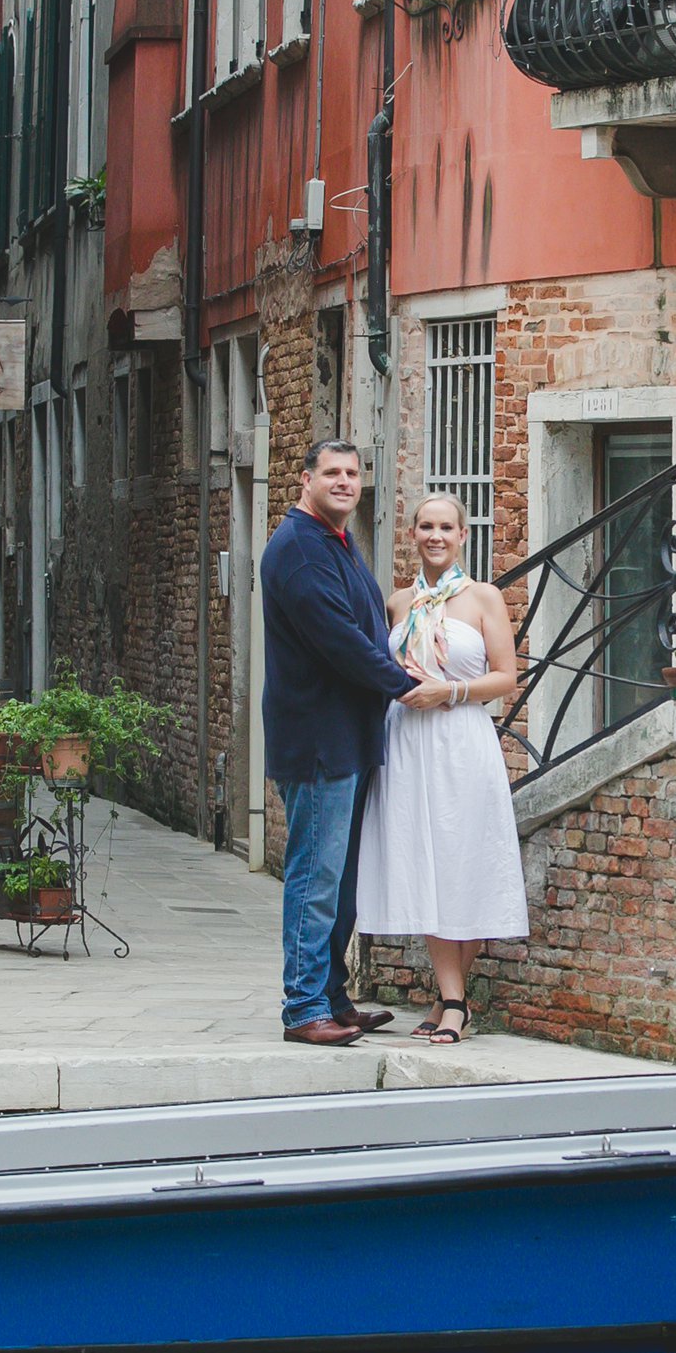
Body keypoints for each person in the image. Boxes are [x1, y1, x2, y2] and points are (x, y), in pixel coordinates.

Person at [260, 438, 450, 1045]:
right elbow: (341, 640)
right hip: (319, 739)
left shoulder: (334, 543)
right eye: (332, 473)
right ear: (305, 479)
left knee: (340, 882)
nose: (344, 482)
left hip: (348, 737)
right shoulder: (298, 551)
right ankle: (303, 1008)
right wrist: (403, 683)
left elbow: (370, 627)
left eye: (353, 473)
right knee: (316, 878)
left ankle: (333, 997)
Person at [355, 494, 527, 1045]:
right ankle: (454, 1000)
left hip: (461, 739)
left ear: (463, 535)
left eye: (446, 527)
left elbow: (506, 678)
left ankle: (451, 998)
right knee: (426, 864)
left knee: (465, 865)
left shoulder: (483, 598)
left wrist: (450, 689)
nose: (436, 535)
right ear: (413, 535)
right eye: (426, 526)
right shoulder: (396, 603)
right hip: (408, 743)